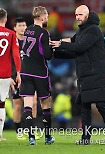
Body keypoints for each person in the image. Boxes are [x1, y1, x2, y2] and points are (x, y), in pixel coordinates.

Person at [51, 5, 105, 145]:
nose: (77, 17)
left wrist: (60, 44)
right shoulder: (81, 32)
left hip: (96, 73)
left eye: (80, 15)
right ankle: (86, 138)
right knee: (85, 106)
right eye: (76, 15)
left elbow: (79, 47)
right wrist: (53, 54)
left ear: (87, 15)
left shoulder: (94, 30)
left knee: (100, 105)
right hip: (85, 74)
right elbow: (74, 51)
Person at [19, 6, 54, 145]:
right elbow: (47, 55)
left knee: (27, 105)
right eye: (46, 16)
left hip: (25, 72)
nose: (47, 18)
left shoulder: (27, 30)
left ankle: (31, 138)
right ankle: (47, 137)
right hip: (40, 73)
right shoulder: (43, 33)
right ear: (42, 17)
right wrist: (52, 48)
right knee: (45, 104)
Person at [11, 17, 39, 140]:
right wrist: (10, 77)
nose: (23, 28)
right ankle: (19, 131)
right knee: (17, 104)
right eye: (20, 25)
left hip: (30, 76)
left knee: (33, 103)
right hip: (16, 77)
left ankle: (31, 129)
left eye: (24, 25)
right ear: (15, 28)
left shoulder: (30, 41)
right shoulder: (12, 41)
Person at [0, 8, 21, 141]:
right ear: (6, 19)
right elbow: (16, 55)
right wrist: (18, 72)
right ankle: (0, 135)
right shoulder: (11, 34)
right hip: (5, 74)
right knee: (1, 104)